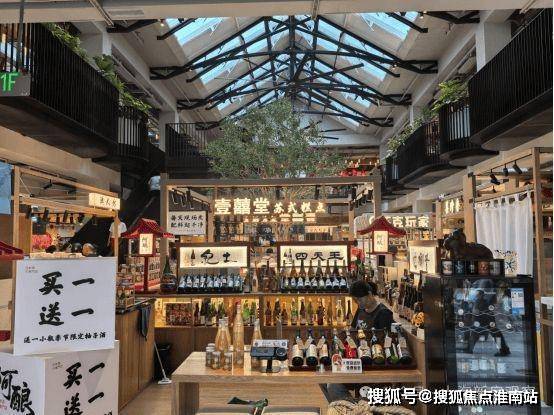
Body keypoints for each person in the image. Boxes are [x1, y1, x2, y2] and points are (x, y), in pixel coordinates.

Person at [321, 280, 394, 403]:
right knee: (324, 379)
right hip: (356, 360)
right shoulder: (361, 310)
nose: (358, 303)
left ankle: (354, 407)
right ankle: (351, 406)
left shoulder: (383, 313)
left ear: (369, 294)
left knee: (333, 385)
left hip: (372, 364)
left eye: (359, 299)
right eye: (355, 300)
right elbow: (352, 332)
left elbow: (385, 343)